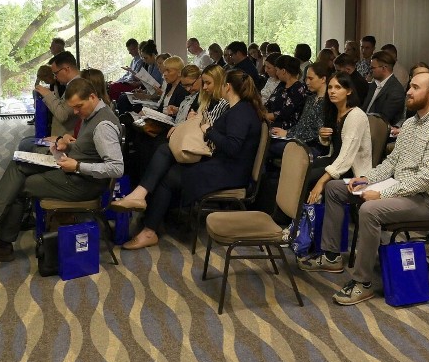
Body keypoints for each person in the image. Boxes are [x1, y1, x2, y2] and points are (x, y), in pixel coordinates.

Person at [310, 72, 429, 305]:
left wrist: (381, 193)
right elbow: (392, 163)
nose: (408, 91)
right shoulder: (411, 124)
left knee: (370, 210)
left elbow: (424, 180)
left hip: (427, 200)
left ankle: (363, 282)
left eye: (415, 87)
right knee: (336, 188)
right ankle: (331, 256)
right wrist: (367, 179)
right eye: (410, 86)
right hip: (400, 188)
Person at [0, 78, 123, 262]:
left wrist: (78, 165)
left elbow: (116, 168)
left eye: (78, 107)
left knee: (19, 185)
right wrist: (68, 144)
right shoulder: (94, 113)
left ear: (93, 97)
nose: (76, 112)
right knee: (18, 163)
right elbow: (92, 150)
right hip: (73, 171)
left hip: (83, 183)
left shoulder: (103, 126)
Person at [109, 70, 265, 249]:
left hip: (229, 172)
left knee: (169, 176)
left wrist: (208, 130)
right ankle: (141, 200)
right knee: (166, 151)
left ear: (227, 87)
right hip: (224, 165)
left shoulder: (241, 112)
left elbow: (232, 147)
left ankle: (148, 226)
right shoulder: (241, 109)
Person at [296, 72, 373, 271]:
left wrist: (322, 181)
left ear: (349, 91)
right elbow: (334, 148)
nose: (332, 91)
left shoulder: (356, 115)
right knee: (301, 172)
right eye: (330, 87)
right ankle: (303, 233)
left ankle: (314, 241)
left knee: (314, 179)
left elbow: (346, 157)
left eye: (338, 87)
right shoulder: (333, 111)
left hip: (354, 172)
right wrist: (323, 137)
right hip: (337, 162)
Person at [269, 61, 330, 155]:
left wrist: (288, 134)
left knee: (271, 147)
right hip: (300, 140)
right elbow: (302, 124)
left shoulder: (328, 102)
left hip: (313, 145)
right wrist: (286, 132)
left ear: (323, 79)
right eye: (306, 79)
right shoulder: (310, 98)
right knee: (269, 141)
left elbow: (316, 133)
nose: (307, 82)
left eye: (311, 78)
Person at [35, 51, 80, 138]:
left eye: (56, 73)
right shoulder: (70, 84)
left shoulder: (78, 86)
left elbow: (63, 115)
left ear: (66, 69)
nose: (55, 77)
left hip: (67, 139)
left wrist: (48, 94)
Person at [361, 50, 405, 127]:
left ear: (384, 68)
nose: (370, 70)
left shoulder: (396, 90)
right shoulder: (374, 84)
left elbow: (384, 118)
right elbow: (363, 108)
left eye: (372, 68)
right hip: (364, 125)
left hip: (380, 132)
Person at [264, 55, 307, 130]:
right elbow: (269, 102)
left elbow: (285, 113)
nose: (276, 73)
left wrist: (265, 116)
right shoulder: (282, 85)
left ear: (283, 71)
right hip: (271, 121)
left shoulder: (298, 88)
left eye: (277, 70)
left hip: (286, 127)